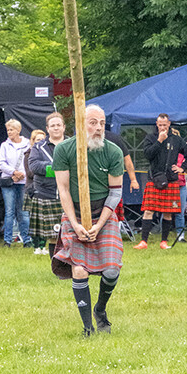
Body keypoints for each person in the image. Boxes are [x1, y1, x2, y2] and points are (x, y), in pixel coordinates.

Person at [52, 105, 124, 337]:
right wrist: (75, 224)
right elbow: (63, 190)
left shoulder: (113, 151)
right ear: (80, 125)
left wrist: (98, 225)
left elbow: (115, 193)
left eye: (102, 123)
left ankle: (100, 310)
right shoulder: (64, 149)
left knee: (112, 270)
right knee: (80, 271)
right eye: (92, 122)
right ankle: (87, 328)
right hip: (74, 213)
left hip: (103, 213)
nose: (98, 128)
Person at [134, 113, 187, 250]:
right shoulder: (150, 138)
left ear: (169, 124)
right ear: (156, 124)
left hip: (171, 180)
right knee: (148, 210)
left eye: (164, 125)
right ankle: (143, 242)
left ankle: (164, 242)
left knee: (168, 212)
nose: (162, 127)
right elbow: (148, 155)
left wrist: (182, 168)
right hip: (154, 179)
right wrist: (159, 141)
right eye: (160, 125)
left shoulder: (176, 139)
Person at [28, 113, 66, 256]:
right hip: (46, 194)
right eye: (52, 126)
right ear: (47, 129)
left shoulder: (73, 144)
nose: (56, 128)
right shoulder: (39, 147)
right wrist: (57, 168)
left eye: (58, 125)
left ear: (63, 127)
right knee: (53, 234)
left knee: (69, 233)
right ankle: (56, 265)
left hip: (69, 193)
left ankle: (70, 264)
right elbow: (34, 166)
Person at [0, 119, 32, 248]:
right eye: (8, 130)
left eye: (11, 130)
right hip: (9, 182)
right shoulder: (4, 145)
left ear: (18, 130)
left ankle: (26, 239)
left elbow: (30, 160)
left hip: (23, 182)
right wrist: (14, 172)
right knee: (9, 212)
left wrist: (22, 174)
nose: (9, 132)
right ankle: (8, 240)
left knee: (23, 212)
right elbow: (1, 163)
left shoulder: (28, 144)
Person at [24, 128, 47, 252]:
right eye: (38, 139)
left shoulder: (47, 152)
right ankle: (36, 246)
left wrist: (44, 170)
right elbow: (31, 173)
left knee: (44, 221)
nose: (40, 142)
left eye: (42, 139)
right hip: (32, 189)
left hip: (44, 189)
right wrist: (47, 171)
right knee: (35, 221)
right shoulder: (28, 154)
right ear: (32, 141)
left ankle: (43, 246)